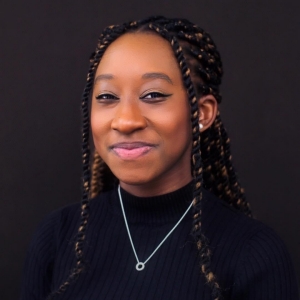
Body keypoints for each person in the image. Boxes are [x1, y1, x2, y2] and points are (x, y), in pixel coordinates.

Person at [20, 16, 299, 300]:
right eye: (107, 96)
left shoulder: (254, 254)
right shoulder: (57, 237)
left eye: (153, 95)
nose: (125, 121)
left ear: (202, 114)